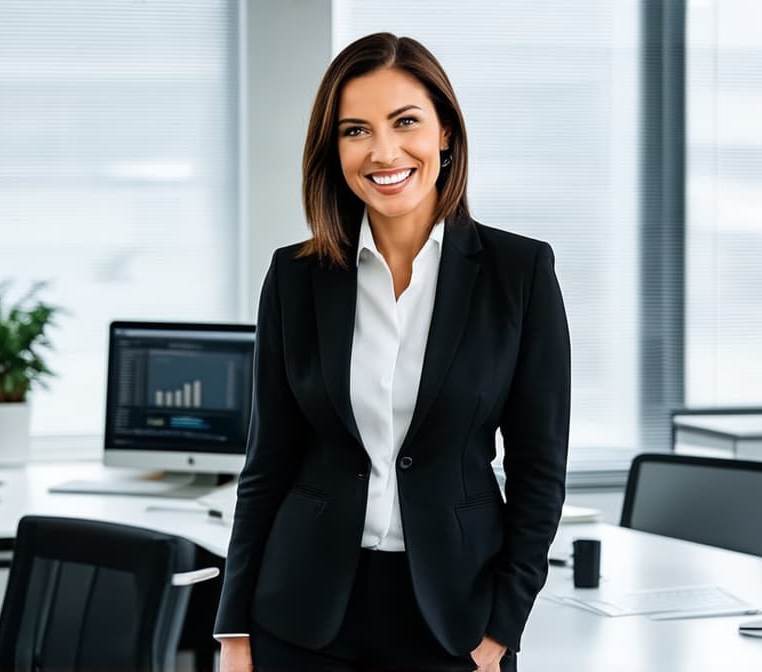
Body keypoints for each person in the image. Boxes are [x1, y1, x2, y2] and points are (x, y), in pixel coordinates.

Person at [214, 32, 570, 672]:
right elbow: (266, 464)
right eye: (356, 130)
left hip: (454, 618)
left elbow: (539, 472)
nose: (382, 151)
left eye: (405, 121)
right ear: (334, 150)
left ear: (445, 135)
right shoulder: (295, 277)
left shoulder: (520, 272)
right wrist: (234, 632)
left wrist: (503, 628)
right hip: (302, 615)